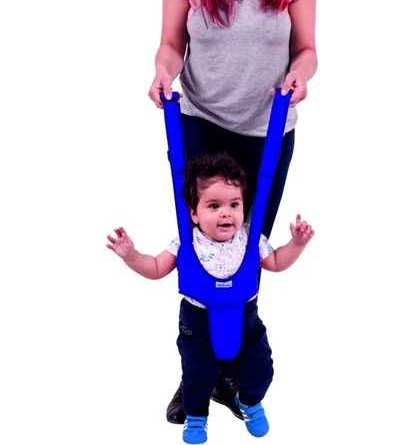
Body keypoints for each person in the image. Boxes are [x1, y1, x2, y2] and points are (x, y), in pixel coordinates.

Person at [147, 0, 317, 424]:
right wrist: (163, 71)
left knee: (245, 253)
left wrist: (301, 75)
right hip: (199, 123)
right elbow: (171, 44)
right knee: (201, 251)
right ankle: (196, 373)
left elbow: (308, 50)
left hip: (266, 130)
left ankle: (234, 373)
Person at [106, 152, 315, 443]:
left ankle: (249, 402)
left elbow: (277, 262)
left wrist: (297, 244)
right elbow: (155, 268)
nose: (226, 213)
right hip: (197, 321)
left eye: (234, 204)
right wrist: (131, 255)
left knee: (261, 369)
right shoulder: (186, 242)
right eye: (214, 206)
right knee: (197, 372)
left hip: (245, 318)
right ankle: (196, 416)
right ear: (194, 213)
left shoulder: (250, 238)